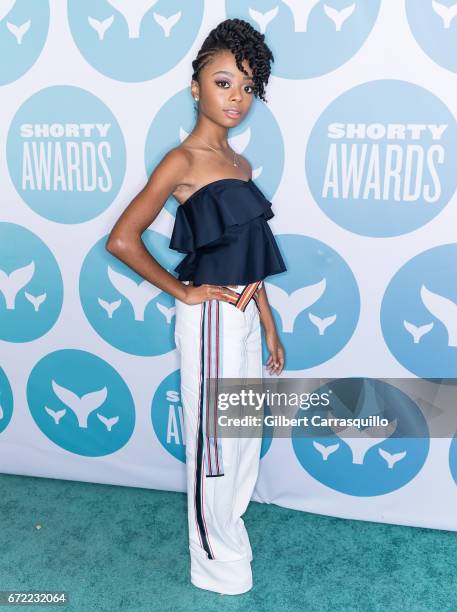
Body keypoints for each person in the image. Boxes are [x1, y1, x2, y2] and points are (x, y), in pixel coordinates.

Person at [106, 18, 287, 595]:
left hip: (246, 316)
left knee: (241, 431)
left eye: (248, 87)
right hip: (209, 318)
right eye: (224, 82)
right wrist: (183, 291)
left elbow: (248, 255)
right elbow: (123, 239)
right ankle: (214, 560)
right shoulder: (181, 161)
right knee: (213, 439)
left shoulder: (241, 165)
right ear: (196, 87)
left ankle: (228, 528)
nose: (237, 98)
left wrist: (268, 321)